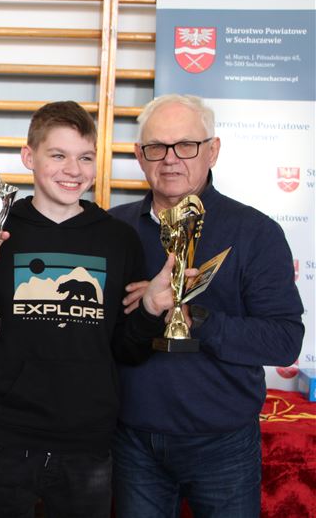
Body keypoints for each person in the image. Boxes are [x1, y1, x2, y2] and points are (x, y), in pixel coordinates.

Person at [0, 101, 184, 518]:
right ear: (29, 157)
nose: (73, 170)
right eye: (58, 155)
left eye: (85, 158)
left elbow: (127, 351)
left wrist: (151, 310)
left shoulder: (118, 240)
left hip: (87, 448)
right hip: (4, 443)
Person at [110, 94, 304, 518]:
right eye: (157, 147)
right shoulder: (113, 228)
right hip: (132, 442)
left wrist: (190, 315)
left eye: (186, 145)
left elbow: (285, 340)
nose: (170, 159)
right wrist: (143, 312)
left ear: (212, 150)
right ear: (140, 156)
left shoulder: (256, 233)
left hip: (223, 444)